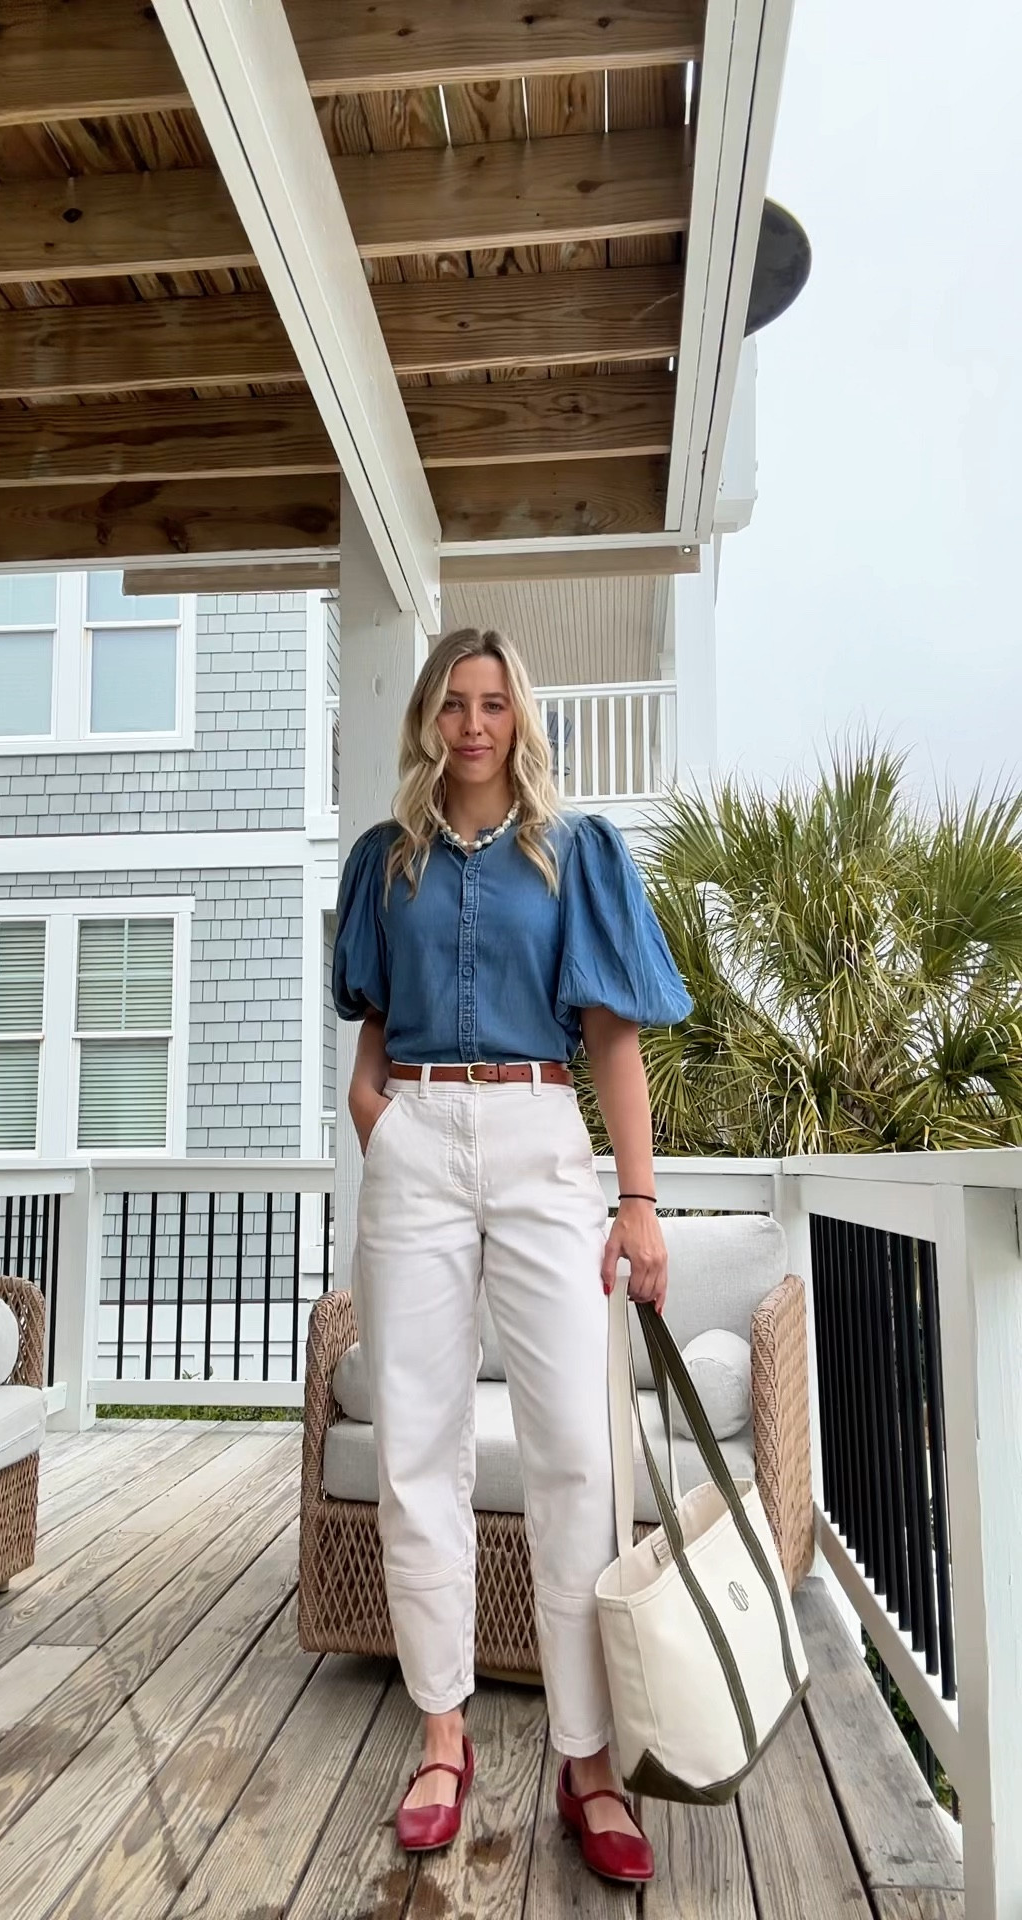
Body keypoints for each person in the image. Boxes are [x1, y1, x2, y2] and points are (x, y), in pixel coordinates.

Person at [332, 626, 693, 1887]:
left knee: (575, 1457)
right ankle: (444, 1736)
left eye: (493, 703)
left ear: (517, 718)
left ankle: (585, 1759)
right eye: (453, 703)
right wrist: (388, 1128)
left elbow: (613, 1042)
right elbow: (371, 1034)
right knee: (417, 1444)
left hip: (544, 1139)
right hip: (419, 1139)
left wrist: (636, 1201)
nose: (473, 724)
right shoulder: (386, 863)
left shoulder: (575, 853)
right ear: (429, 719)